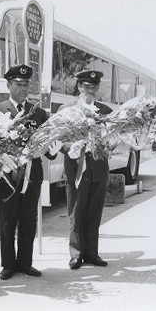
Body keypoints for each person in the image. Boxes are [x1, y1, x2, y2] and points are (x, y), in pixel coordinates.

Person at [0, 64, 61, 280]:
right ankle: (8, 264)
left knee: (29, 220)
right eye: (18, 84)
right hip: (6, 177)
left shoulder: (38, 113)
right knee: (6, 220)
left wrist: (52, 151)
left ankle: (25, 263)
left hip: (32, 176)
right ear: (8, 85)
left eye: (26, 84)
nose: (23, 88)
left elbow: (48, 145)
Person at [60, 70, 113, 270]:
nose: (90, 90)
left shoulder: (105, 110)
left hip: (98, 168)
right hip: (76, 168)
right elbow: (59, 138)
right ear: (79, 87)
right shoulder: (67, 109)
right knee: (76, 211)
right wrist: (69, 148)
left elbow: (112, 138)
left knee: (94, 212)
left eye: (94, 87)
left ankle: (92, 253)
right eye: (86, 86)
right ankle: (76, 254)